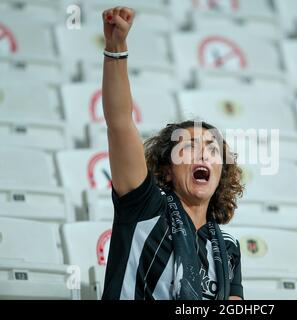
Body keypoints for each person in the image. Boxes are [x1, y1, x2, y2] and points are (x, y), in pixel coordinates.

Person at [100, 6, 244, 300]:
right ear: (167, 169)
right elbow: (119, 122)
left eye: (212, 149)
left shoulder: (227, 249)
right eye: (190, 147)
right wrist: (116, 49)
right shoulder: (144, 208)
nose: (203, 155)